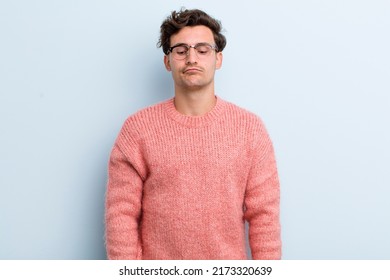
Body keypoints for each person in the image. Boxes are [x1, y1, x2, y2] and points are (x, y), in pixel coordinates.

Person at [105, 8, 281, 260]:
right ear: (168, 61)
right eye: (180, 50)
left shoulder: (250, 129)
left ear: (218, 59)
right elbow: (120, 215)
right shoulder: (137, 130)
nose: (191, 58)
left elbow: (265, 216)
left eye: (202, 49)